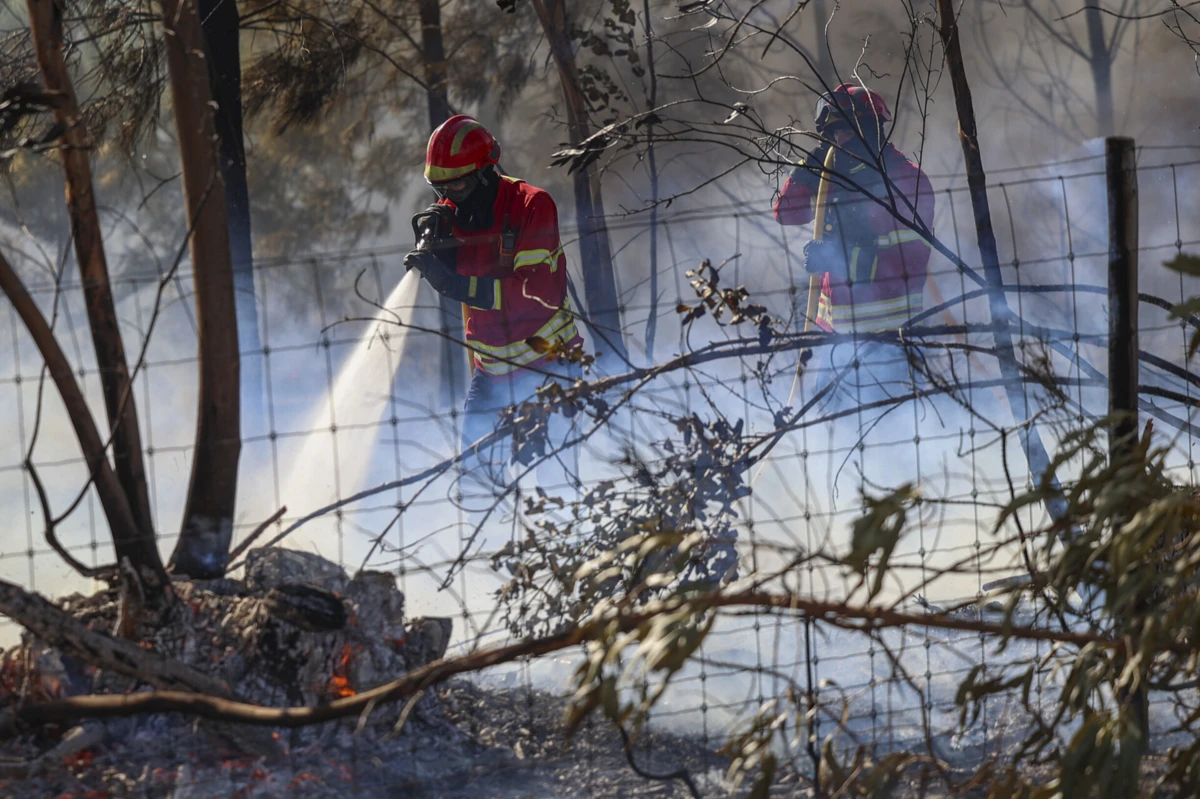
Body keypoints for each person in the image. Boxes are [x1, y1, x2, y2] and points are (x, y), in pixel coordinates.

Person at [404, 115, 581, 490]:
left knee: (555, 487)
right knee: (476, 484)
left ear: (486, 173)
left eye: (460, 185)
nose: (451, 196)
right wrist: (440, 253)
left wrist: (454, 284)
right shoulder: (454, 216)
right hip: (491, 376)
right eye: (441, 188)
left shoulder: (532, 206)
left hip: (550, 369)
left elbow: (533, 298)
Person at [774, 83, 935, 401]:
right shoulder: (834, 182)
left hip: (891, 346)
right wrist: (810, 168)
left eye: (845, 131)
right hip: (835, 345)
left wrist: (840, 256)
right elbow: (786, 213)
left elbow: (909, 262)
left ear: (872, 129)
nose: (839, 141)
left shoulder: (906, 179)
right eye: (832, 135)